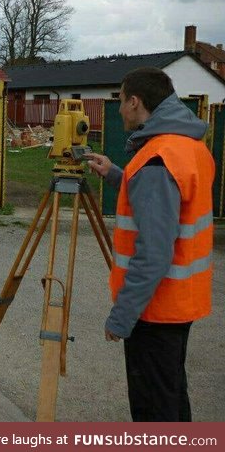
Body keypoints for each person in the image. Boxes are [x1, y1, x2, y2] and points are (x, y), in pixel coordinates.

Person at [86, 67, 214, 422]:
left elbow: (154, 253)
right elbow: (168, 201)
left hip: (155, 309)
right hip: (180, 301)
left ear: (135, 102)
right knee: (171, 398)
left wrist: (122, 316)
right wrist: (116, 174)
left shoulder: (156, 160)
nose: (119, 110)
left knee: (155, 412)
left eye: (120, 101)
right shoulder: (187, 147)